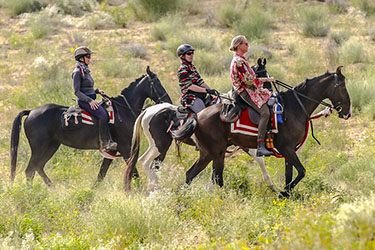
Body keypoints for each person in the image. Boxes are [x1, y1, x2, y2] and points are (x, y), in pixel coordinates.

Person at [227, 35, 275, 157]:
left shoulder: (240, 59)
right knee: (265, 113)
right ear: (239, 45)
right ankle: (260, 145)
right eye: (246, 44)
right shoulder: (239, 61)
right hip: (245, 91)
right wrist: (266, 80)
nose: (248, 46)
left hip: (249, 89)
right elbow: (249, 80)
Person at [72, 46, 117, 152]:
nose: (90, 58)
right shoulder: (77, 72)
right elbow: (77, 91)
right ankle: (106, 143)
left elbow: (87, 88)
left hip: (90, 99)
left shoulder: (85, 71)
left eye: (90, 56)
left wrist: (97, 91)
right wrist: (90, 101)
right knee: (103, 115)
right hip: (85, 101)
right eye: (88, 56)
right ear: (81, 58)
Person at [177, 44, 217, 113]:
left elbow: (200, 82)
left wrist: (212, 90)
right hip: (191, 98)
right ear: (182, 56)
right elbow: (190, 86)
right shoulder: (182, 69)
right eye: (189, 53)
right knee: (204, 116)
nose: (192, 55)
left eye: (192, 53)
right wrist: (206, 90)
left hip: (201, 95)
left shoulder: (192, 67)